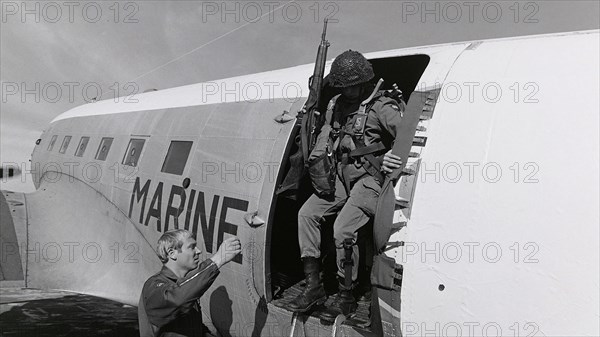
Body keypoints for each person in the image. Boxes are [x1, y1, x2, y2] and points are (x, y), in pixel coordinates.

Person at [288, 50, 404, 320]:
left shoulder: (381, 106)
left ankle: (346, 295)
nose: (347, 91)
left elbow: (406, 133)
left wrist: (392, 158)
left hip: (368, 179)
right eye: (342, 86)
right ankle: (314, 285)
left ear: (363, 81)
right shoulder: (336, 105)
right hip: (339, 176)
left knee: (343, 231)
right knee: (306, 214)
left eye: (351, 85)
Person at [138, 229, 241, 337]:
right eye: (192, 247)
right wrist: (216, 261)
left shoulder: (184, 288)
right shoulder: (154, 286)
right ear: (172, 253)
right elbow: (175, 299)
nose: (198, 251)